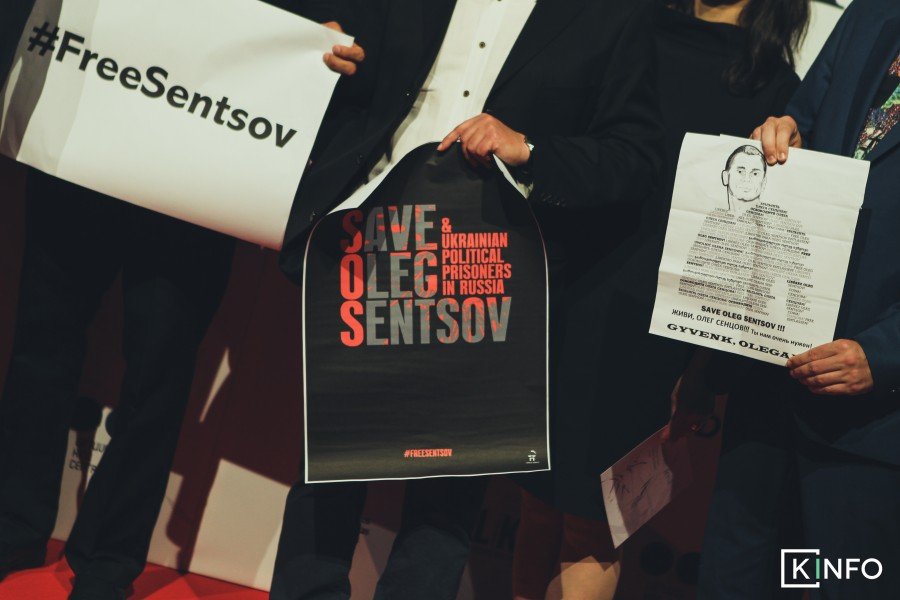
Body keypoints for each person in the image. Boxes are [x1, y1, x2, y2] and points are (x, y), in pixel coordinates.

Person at [271, 1, 664, 599]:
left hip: (490, 270)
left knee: (448, 492)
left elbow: (635, 157)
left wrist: (529, 148)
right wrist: (317, 52)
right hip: (365, 240)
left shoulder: (611, 14)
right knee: (330, 468)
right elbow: (340, 55)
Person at [0, 2, 348, 599]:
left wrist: (319, 30)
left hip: (208, 140)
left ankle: (109, 558)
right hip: (92, 97)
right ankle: (13, 524)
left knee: (159, 371)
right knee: (43, 341)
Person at [511, 1, 808, 599]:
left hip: (651, 325)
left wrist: (702, 367)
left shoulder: (776, 86)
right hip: (559, 280)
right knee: (535, 505)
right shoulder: (626, 26)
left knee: (591, 527)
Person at [673, 0, 900, 597]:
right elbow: (806, 120)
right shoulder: (873, 13)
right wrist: (786, 131)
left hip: (873, 424)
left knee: (839, 583)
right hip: (772, 380)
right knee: (733, 579)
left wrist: (886, 354)